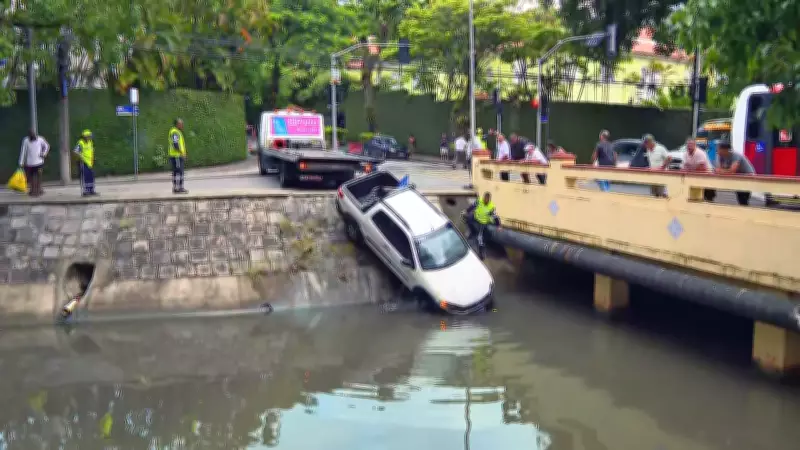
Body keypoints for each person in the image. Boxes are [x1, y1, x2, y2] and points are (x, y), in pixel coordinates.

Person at [666, 136, 714, 201]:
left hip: (707, 177)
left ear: (695, 145)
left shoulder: (700, 153)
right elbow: (684, 167)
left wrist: (689, 172)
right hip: (694, 177)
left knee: (707, 198)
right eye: (688, 145)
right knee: (692, 196)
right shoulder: (685, 154)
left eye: (691, 145)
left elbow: (701, 168)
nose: (689, 147)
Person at [714, 139, 755, 205]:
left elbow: (732, 171)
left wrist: (723, 171)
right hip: (737, 177)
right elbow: (717, 170)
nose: (717, 150)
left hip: (747, 176)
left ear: (725, 150)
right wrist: (726, 171)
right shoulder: (719, 156)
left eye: (719, 149)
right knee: (740, 196)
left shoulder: (735, 155)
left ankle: (745, 210)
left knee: (743, 196)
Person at [462, 191, 501, 260]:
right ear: (483, 198)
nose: (485, 200)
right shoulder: (479, 201)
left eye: (487, 200)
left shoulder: (491, 207)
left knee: (480, 238)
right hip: (476, 217)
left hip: (483, 222)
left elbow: (495, 217)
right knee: (466, 218)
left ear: (489, 200)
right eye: (484, 199)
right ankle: (472, 231)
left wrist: (498, 225)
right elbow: (472, 206)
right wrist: (466, 211)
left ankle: (481, 254)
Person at [19, 129, 50, 197]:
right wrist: (21, 162)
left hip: (39, 163)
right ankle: (33, 190)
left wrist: (44, 154)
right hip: (29, 163)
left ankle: (39, 190)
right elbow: (23, 151)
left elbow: (47, 146)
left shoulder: (40, 139)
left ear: (35, 135)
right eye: (31, 136)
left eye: (33, 135)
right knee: (31, 178)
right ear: (29, 136)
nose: (32, 137)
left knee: (39, 176)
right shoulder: (26, 140)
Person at [73, 130, 98, 196]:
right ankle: (85, 191)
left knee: (91, 176)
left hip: (90, 162)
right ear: (85, 136)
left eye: (90, 136)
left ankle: (91, 190)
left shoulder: (90, 142)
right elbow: (75, 151)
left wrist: (93, 158)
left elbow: (91, 151)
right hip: (83, 162)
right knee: (84, 177)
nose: (90, 137)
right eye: (89, 136)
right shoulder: (80, 142)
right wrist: (81, 158)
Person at [169, 118, 189, 194]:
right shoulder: (175, 132)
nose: (182, 125)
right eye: (181, 124)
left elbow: (180, 144)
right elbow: (175, 144)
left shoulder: (177, 132)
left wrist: (184, 152)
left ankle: (176, 187)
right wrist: (182, 153)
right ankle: (179, 188)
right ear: (177, 124)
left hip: (176, 155)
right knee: (179, 171)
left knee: (176, 171)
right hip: (176, 156)